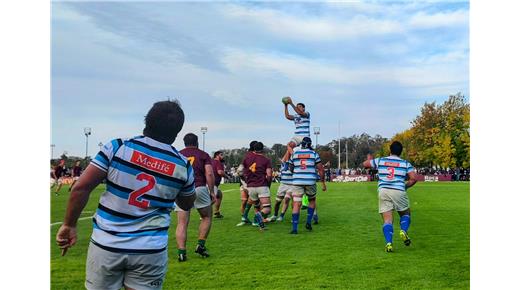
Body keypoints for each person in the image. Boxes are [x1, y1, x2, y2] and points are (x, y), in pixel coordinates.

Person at [56, 100, 196, 290]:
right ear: (177, 132)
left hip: (107, 244)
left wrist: (69, 224)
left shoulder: (117, 147)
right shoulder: (182, 165)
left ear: (147, 122)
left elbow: (81, 188)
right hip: (150, 249)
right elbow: (187, 204)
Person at [362, 141, 417, 253]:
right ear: (400, 152)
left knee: (387, 220)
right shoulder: (405, 163)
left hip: (384, 191)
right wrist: (405, 187)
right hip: (398, 191)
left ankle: (389, 243)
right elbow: (413, 178)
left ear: (390, 150)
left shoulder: (381, 160)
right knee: (406, 214)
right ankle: (403, 231)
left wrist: (369, 158)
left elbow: (365, 164)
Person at [176, 133, 216, 262]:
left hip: (181, 190)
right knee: (207, 216)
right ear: (197, 142)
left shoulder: (177, 154)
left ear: (184, 142)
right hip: (198, 187)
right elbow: (209, 173)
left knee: (182, 223)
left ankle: (182, 253)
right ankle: (201, 245)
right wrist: (212, 191)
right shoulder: (203, 155)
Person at [288, 137, 326, 234]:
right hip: (310, 181)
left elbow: (290, 168)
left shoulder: (295, 154)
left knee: (297, 204)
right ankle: (308, 222)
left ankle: (294, 229)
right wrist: (323, 183)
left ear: (301, 144)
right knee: (312, 200)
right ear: (310, 145)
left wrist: (297, 174)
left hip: (297, 182)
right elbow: (320, 169)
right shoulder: (314, 154)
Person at [241, 141, 273, 230]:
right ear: (262, 149)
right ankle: (257, 218)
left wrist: (246, 180)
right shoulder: (266, 160)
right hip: (261, 185)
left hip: (250, 187)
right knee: (267, 208)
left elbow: (240, 171)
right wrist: (268, 184)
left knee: (257, 206)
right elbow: (269, 175)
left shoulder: (246, 158)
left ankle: (261, 225)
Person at [281, 96, 310, 163]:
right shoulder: (296, 116)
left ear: (304, 108)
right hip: (296, 136)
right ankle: (288, 161)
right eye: (297, 107)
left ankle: (286, 160)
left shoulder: (307, 114)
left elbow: (300, 113)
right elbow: (287, 116)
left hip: (305, 136)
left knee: (306, 151)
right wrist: (286, 106)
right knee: (289, 146)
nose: (297, 108)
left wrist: (291, 103)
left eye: (299, 107)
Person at [236, 141, 257, 226]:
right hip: (249, 183)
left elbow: (240, 171)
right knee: (255, 201)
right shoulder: (251, 156)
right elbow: (240, 171)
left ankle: (245, 218)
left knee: (246, 201)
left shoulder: (247, 156)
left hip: (245, 182)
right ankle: (248, 219)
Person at [212, 151, 226, 218]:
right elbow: (220, 172)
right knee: (212, 200)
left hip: (208, 183)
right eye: (221, 155)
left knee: (219, 194)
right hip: (212, 183)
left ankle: (216, 212)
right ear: (217, 156)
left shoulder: (210, 161)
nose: (223, 156)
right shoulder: (218, 162)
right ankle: (203, 215)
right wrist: (227, 176)